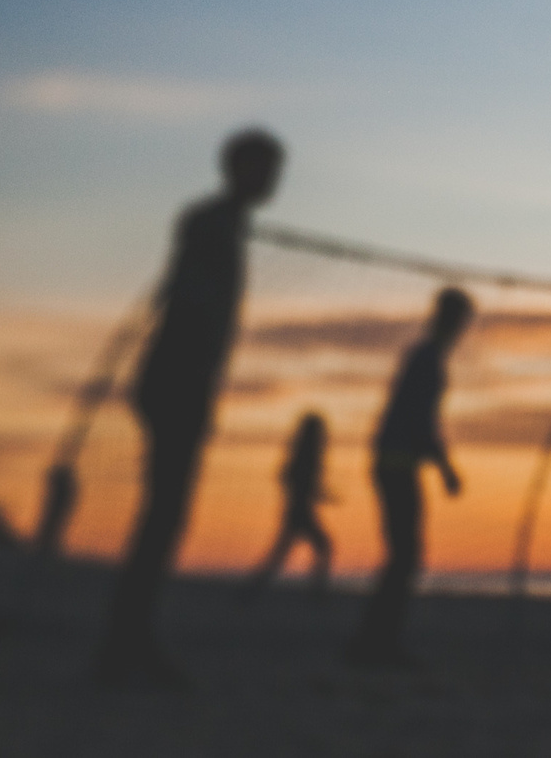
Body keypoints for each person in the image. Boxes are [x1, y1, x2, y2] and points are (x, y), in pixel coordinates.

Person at [94, 127, 285, 687]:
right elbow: (192, 308)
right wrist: (197, 386)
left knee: (166, 514)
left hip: (179, 382)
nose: (273, 181)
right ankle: (127, 643)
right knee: (164, 515)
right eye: (266, 169)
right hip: (176, 383)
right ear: (239, 169)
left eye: (276, 171)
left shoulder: (221, 224)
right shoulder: (210, 223)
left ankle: (129, 640)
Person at [347, 287, 472, 666]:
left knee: (403, 554)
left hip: (396, 461)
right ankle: (377, 645)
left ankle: (375, 642)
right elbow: (421, 419)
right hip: (395, 463)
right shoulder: (427, 360)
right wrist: (446, 468)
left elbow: (420, 418)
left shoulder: (426, 357)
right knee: (405, 555)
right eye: (461, 321)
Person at [241, 412, 333, 600]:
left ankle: (252, 592)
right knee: (320, 547)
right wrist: (315, 495)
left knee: (280, 554)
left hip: (297, 510)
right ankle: (317, 593)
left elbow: (290, 479)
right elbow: (296, 481)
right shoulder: (307, 455)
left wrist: (320, 494)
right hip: (300, 511)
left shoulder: (301, 454)